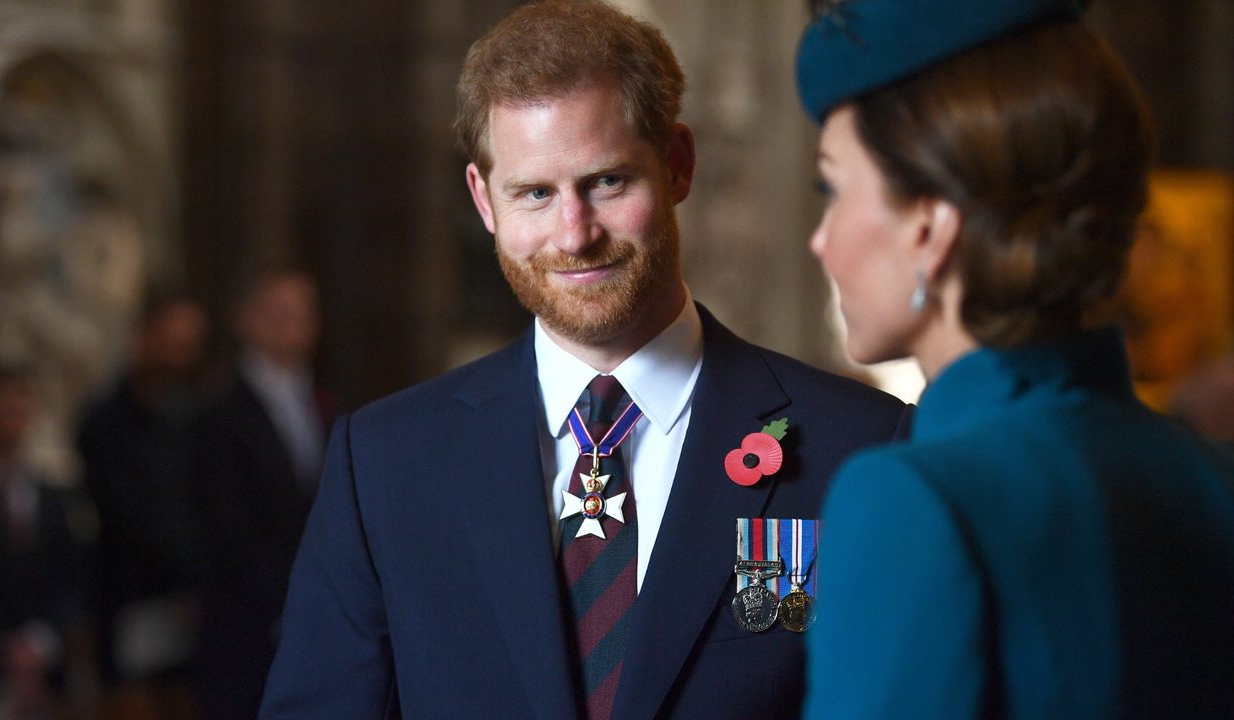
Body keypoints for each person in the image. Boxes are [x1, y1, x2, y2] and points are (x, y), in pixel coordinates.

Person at [260, 3, 911, 719]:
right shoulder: (382, 467)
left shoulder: (862, 448)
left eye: (606, 182)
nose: (574, 235)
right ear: (484, 200)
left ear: (678, 165)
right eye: (535, 193)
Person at [793, 1, 1234, 718]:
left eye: (833, 191)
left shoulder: (910, 500)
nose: (822, 240)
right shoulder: (1214, 476)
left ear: (931, 228)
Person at [191, 268, 332, 720]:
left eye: (301, 312)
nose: (292, 324)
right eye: (277, 312)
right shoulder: (217, 410)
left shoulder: (326, 403)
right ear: (246, 320)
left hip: (318, 615)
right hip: (247, 622)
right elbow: (221, 523)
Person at [77, 291, 209, 712]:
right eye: (170, 341)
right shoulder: (104, 421)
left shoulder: (191, 418)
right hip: (132, 606)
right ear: (145, 336)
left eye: (187, 347)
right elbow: (125, 515)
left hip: (189, 617)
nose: (177, 356)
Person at [0, 365, 89, 720]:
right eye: (0, 407)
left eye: (19, 407)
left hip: (46, 671)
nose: (11, 417)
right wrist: (3, 645)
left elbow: (71, 575)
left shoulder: (53, 496)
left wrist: (41, 640)